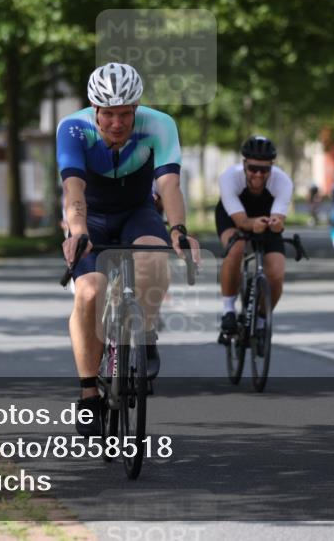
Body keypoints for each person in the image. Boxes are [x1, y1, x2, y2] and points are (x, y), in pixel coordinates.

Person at [57, 62, 200, 436]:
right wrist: (77, 231)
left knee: (155, 260)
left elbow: (168, 184)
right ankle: (89, 390)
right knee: (89, 291)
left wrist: (179, 230)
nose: (117, 123)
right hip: (91, 214)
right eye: (109, 115)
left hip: (137, 211)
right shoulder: (73, 128)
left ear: (137, 107)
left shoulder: (160, 124)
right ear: (94, 109)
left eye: (125, 114)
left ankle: (145, 333)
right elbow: (73, 189)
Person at [215, 136, 293, 344]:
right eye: (253, 168)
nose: (258, 174)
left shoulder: (283, 181)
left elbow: (279, 219)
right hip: (232, 216)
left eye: (264, 170)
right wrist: (251, 225)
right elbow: (240, 221)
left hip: (265, 218)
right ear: (244, 165)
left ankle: (260, 320)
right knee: (237, 247)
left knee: (276, 273)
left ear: (272, 168)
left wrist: (276, 224)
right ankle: (228, 310)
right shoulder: (229, 178)